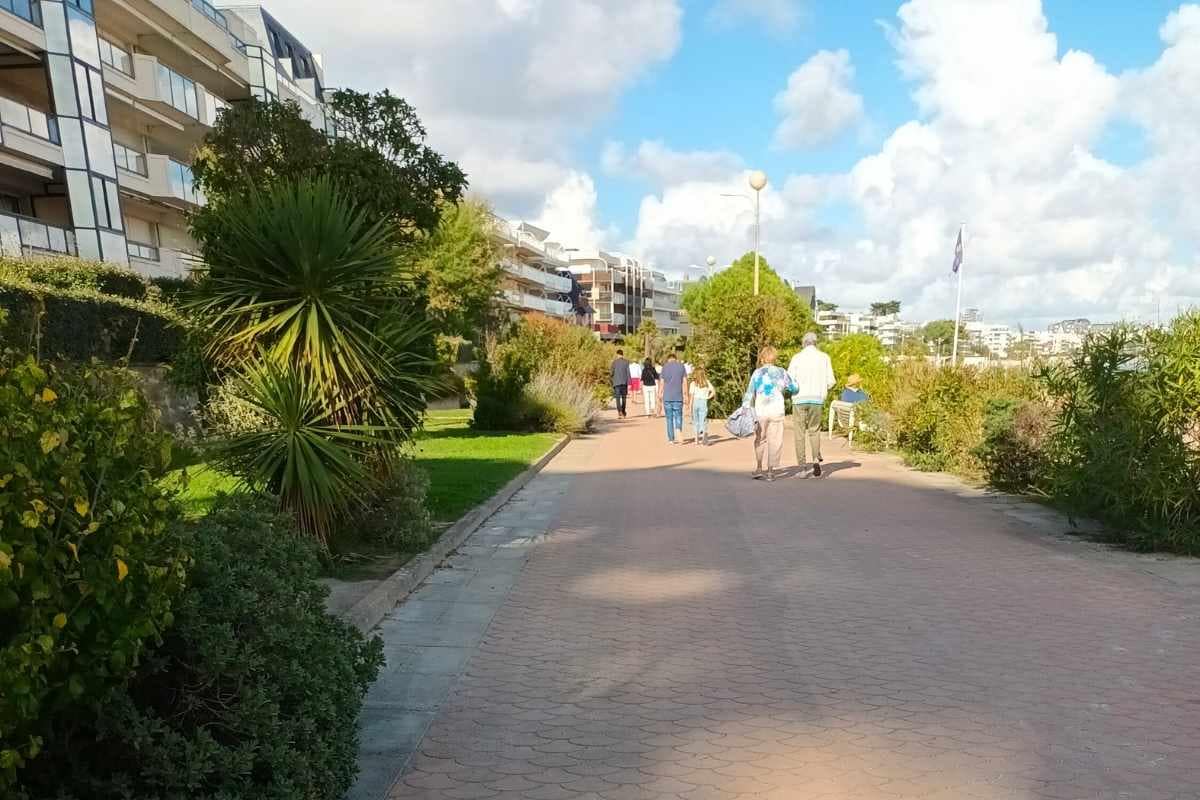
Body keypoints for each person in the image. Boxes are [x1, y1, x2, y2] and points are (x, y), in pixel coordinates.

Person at [743, 346, 796, 481]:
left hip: (761, 411)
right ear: (774, 358)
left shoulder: (757, 373)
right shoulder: (782, 372)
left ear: (762, 358)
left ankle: (759, 467)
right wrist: (785, 390)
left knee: (760, 439)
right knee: (775, 441)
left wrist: (745, 407)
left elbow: (749, 392)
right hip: (777, 410)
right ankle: (771, 472)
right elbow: (795, 388)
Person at [787, 332, 836, 477]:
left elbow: (789, 380)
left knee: (799, 433)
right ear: (816, 342)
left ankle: (802, 468)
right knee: (814, 431)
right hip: (817, 399)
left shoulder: (797, 358)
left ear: (804, 343)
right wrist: (821, 388)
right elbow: (831, 381)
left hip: (799, 399)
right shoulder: (824, 357)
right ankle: (815, 459)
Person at [659, 352, 688, 444]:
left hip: (667, 396)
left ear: (668, 359)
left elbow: (662, 382)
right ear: (675, 358)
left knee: (669, 418)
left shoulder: (665, 367)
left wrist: (659, 393)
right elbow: (684, 382)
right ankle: (678, 430)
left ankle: (671, 439)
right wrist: (686, 394)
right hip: (678, 396)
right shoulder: (681, 366)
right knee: (678, 416)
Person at [689, 366, 715, 445]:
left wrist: (690, 406)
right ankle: (703, 437)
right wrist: (708, 397)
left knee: (695, 421)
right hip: (703, 402)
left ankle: (696, 439)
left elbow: (692, 396)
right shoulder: (707, 382)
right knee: (703, 420)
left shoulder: (693, 383)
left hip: (695, 402)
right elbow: (713, 391)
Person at [610, 349, 631, 419]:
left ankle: (619, 412)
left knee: (618, 398)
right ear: (622, 354)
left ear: (617, 354)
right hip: (624, 383)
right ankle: (623, 411)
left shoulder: (614, 362)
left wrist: (612, 379)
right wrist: (629, 383)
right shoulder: (626, 362)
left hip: (616, 383)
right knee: (624, 398)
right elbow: (628, 373)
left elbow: (611, 373)